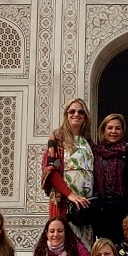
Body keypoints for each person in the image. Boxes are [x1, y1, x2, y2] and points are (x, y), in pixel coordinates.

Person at [44, 100, 95, 240]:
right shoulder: (57, 139)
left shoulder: (88, 141)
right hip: (65, 203)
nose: (76, 114)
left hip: (85, 205)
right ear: (66, 115)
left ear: (85, 116)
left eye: (81, 112)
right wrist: (70, 194)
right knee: (63, 243)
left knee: (84, 247)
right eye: (72, 111)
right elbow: (51, 171)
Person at [90, 113, 128, 245]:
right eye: (110, 128)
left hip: (124, 211)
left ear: (122, 131)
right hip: (101, 213)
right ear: (103, 130)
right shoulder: (95, 152)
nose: (113, 131)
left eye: (118, 128)